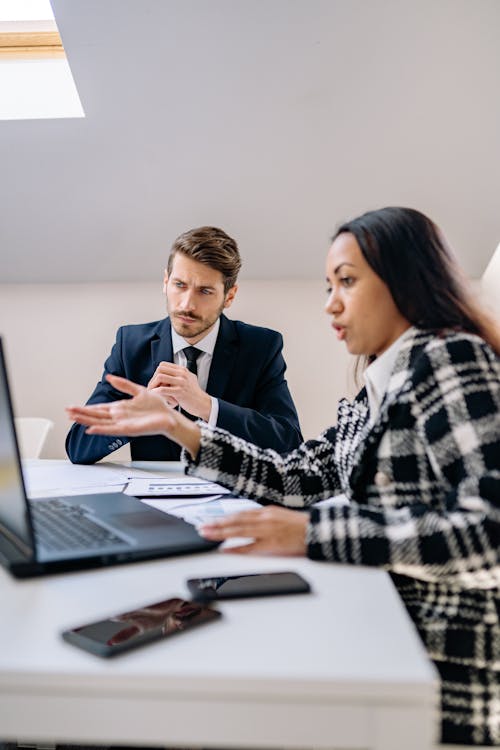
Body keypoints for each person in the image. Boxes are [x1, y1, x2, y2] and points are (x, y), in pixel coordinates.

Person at [67, 207, 500, 747]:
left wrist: (314, 534)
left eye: (347, 282)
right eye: (328, 285)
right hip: (375, 623)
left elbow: (491, 535)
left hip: (435, 667)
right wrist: (183, 431)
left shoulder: (451, 361)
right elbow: (301, 477)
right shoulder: (380, 384)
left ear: (404, 282)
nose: (330, 303)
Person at [66, 225, 302, 463]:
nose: (187, 304)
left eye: (205, 291)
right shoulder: (130, 345)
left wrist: (207, 406)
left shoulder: (261, 347)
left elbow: (290, 443)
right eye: (179, 285)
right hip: (152, 497)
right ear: (165, 282)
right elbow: (77, 447)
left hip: (230, 494)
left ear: (229, 296)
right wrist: (137, 414)